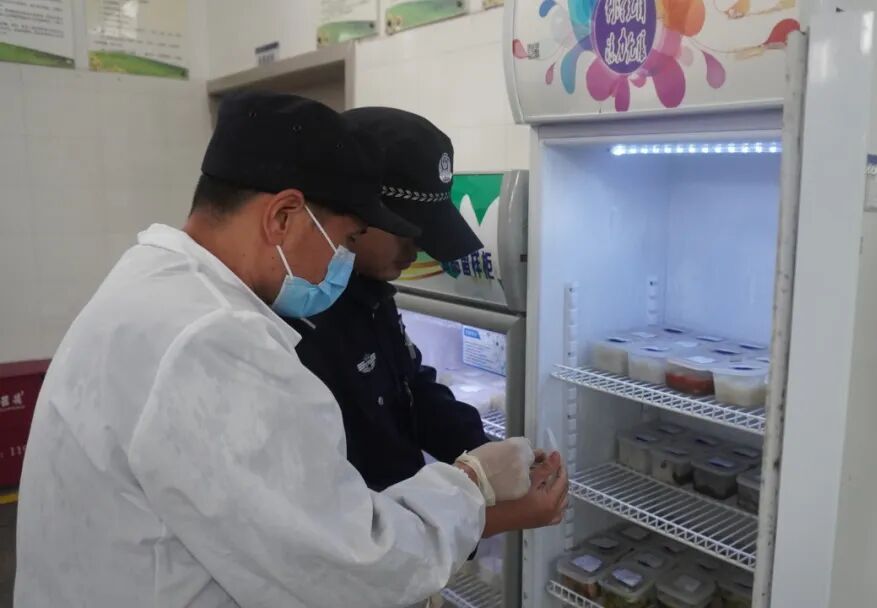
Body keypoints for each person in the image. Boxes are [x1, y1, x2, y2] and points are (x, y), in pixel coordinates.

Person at [14, 91, 552, 608]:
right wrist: (472, 486)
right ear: (282, 217)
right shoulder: (215, 340)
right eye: (345, 240)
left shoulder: (158, 279)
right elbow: (349, 563)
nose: (342, 262)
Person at [285, 108, 562, 537]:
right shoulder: (297, 317)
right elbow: (343, 531)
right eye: (408, 233)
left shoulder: (371, 293)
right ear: (355, 213)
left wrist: (490, 454)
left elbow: (411, 388)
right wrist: (484, 498)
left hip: (409, 542)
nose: (418, 252)